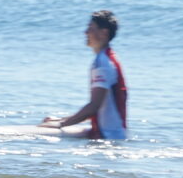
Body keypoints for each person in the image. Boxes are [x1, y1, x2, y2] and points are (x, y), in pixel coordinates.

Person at [41, 10, 127, 139]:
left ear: (104, 33)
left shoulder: (103, 63)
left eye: (91, 28)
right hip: (110, 136)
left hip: (108, 139)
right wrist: (61, 119)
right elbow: (100, 109)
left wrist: (61, 124)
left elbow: (94, 106)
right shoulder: (107, 58)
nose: (85, 32)